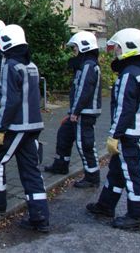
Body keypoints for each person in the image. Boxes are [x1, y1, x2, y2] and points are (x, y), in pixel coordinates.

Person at [0, 24, 50, 233]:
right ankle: (40, 216)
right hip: (33, 126)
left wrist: (0, 129)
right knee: (31, 171)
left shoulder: (10, 65)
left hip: (16, 127)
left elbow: (10, 100)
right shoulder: (31, 65)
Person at [87, 28, 140, 231]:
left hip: (129, 133)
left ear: (128, 46)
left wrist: (114, 135)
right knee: (117, 170)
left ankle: (137, 216)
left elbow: (124, 109)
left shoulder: (129, 74)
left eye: (117, 47)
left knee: (134, 172)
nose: (115, 50)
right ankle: (105, 205)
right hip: (138, 130)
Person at [45, 31, 102, 188]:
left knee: (85, 144)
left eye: (75, 48)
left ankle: (92, 177)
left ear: (84, 47)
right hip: (79, 112)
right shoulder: (84, 65)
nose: (74, 51)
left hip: (85, 113)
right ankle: (61, 165)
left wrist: (75, 112)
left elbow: (84, 91)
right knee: (64, 133)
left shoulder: (88, 67)